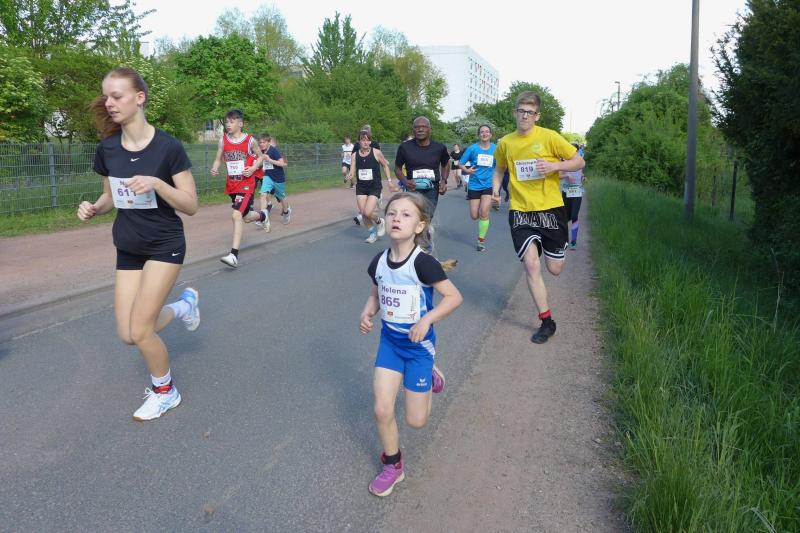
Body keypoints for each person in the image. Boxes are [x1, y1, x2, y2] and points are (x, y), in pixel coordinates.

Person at [80, 67, 200, 421]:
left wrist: (158, 184)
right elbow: (110, 197)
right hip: (128, 246)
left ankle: (166, 391)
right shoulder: (108, 149)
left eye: (117, 96)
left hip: (165, 244)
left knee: (141, 330)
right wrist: (94, 207)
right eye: (106, 96)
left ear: (139, 98)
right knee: (127, 333)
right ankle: (184, 307)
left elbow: (191, 204)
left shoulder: (168, 147)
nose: (109, 102)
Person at [360, 192, 463, 497]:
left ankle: (429, 373)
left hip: (419, 349)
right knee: (382, 409)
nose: (397, 219)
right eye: (392, 213)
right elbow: (376, 294)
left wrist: (426, 320)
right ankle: (393, 466)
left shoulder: (424, 264)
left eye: (406, 215)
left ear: (419, 226)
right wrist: (367, 313)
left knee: (416, 421)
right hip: (390, 344)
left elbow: (454, 297)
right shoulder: (378, 262)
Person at [491, 91, 585, 344]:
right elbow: (499, 169)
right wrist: (495, 191)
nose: (525, 116)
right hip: (521, 211)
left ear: (537, 115)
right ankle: (546, 321)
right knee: (531, 264)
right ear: (515, 112)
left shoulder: (549, 137)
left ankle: (549, 246)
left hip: (551, 210)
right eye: (521, 111)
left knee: (554, 269)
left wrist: (555, 166)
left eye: (530, 112)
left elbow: (578, 162)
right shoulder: (506, 143)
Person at [210, 109, 268, 268]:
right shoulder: (223, 141)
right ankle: (262, 216)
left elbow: (261, 157)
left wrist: (253, 168)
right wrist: (215, 167)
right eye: (227, 122)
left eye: (232, 122)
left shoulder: (250, 141)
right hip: (232, 185)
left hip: (247, 184)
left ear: (240, 123)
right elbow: (218, 159)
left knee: (236, 215)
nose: (228, 124)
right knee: (246, 217)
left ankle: (233, 255)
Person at [394, 117, 450, 220]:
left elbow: (445, 164)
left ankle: (425, 228)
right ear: (413, 130)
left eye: (424, 127)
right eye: (417, 127)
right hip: (412, 188)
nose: (420, 129)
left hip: (432, 188)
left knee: (426, 217)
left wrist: (443, 180)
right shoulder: (404, 147)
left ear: (430, 129)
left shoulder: (439, 147)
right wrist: (405, 182)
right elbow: (397, 168)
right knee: (413, 216)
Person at [459, 125, 497, 251]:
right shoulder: (472, 148)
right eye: (482, 132)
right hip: (474, 185)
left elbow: (500, 166)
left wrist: (496, 187)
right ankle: (482, 215)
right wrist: (467, 170)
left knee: (484, 213)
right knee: (474, 215)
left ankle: (481, 240)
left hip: (488, 185)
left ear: (490, 134)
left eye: (487, 132)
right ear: (478, 135)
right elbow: (461, 163)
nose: (484, 134)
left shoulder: (496, 149)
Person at [348, 130, 389, 243]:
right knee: (363, 213)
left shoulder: (376, 152)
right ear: (359, 141)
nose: (365, 142)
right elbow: (352, 170)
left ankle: (379, 221)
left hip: (374, 186)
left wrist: (389, 181)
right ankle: (372, 234)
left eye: (368, 140)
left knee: (367, 212)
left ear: (370, 141)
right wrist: (350, 174)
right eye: (363, 140)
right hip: (361, 187)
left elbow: (385, 165)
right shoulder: (354, 155)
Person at [259, 134, 292, 226]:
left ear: (269, 143)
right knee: (263, 194)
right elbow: (261, 161)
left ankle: (286, 212)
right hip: (267, 176)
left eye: (263, 142)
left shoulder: (275, 151)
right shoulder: (261, 151)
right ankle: (263, 217)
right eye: (260, 142)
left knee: (281, 197)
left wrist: (269, 160)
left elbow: (283, 164)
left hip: (278, 178)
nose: (261, 144)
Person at [560, 143, 586, 250]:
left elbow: (581, 173)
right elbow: (558, 176)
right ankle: (565, 241)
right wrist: (567, 175)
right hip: (566, 192)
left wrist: (583, 177)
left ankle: (573, 242)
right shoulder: (564, 162)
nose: (574, 153)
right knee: (565, 217)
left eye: (576, 151)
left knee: (574, 216)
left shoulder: (580, 162)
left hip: (577, 192)